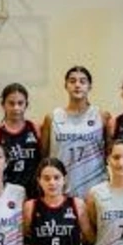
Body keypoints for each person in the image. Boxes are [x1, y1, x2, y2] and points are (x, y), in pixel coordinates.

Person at [40, 66, 108, 200]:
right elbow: (44, 155)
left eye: (82, 81)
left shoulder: (101, 116)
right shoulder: (53, 117)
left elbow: (109, 152)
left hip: (95, 187)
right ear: (65, 85)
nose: (77, 85)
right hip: (60, 188)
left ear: (89, 86)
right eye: (72, 81)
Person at [0, 83, 42, 201]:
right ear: (3, 104)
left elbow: (44, 158)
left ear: (26, 105)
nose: (16, 108)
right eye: (11, 103)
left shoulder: (35, 129)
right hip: (8, 194)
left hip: (34, 193)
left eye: (20, 103)